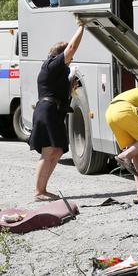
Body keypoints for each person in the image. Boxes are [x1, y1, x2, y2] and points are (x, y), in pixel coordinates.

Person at [28, 18, 85, 201]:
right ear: (59, 56)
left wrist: (70, 87)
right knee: (49, 150)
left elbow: (59, 92)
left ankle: (42, 189)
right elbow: (71, 49)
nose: (70, 61)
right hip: (47, 111)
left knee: (58, 150)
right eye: (68, 59)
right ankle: (39, 191)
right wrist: (82, 27)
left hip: (53, 110)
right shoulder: (52, 64)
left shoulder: (55, 70)